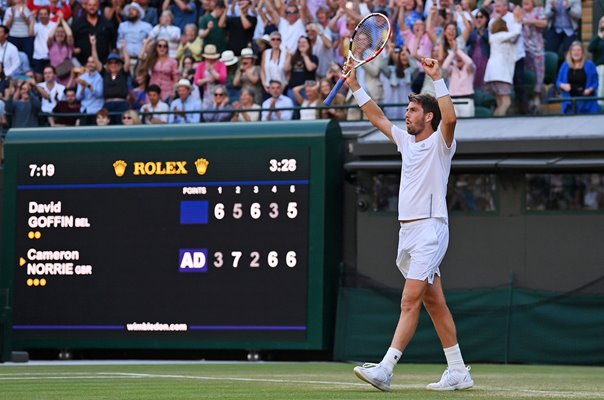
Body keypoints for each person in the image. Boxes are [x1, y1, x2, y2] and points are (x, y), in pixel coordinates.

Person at [344, 55, 473, 393]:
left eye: (414, 110)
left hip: (432, 228)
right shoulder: (405, 142)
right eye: (408, 109)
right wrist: (356, 86)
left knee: (409, 301)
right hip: (408, 232)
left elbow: (452, 117)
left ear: (429, 117)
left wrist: (438, 77)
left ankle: (386, 368)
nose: (407, 113)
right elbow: (378, 116)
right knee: (434, 302)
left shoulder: (441, 142)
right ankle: (458, 370)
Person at [484, 18, 521, 116]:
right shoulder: (499, 36)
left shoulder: (494, 38)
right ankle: (497, 122)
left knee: (500, 102)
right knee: (506, 102)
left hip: (493, 74)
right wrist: (517, 21)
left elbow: (514, 39)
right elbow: (516, 33)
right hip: (500, 74)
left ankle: (495, 122)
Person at [556, 41, 599, 114]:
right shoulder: (565, 65)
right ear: (570, 52)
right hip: (569, 102)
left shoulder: (590, 64)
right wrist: (563, 85)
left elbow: (596, 83)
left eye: (579, 50)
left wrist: (589, 89)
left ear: (583, 52)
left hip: (586, 102)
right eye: (574, 50)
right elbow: (558, 82)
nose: (576, 52)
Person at [588, 16, 604, 107]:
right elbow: (590, 49)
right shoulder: (596, 38)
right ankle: (600, 106)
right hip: (599, 67)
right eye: (602, 22)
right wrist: (599, 37)